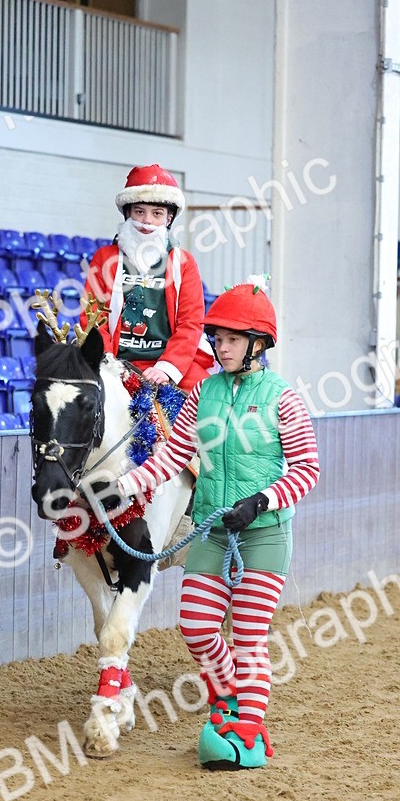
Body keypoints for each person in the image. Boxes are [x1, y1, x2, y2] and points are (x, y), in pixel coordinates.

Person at [106, 283, 320, 770]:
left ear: (256, 344)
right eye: (216, 338)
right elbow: (173, 455)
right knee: (197, 626)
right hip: (211, 529)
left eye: (228, 339)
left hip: (263, 533)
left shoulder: (282, 398)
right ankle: (226, 698)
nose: (218, 347)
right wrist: (125, 485)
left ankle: (248, 724)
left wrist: (262, 500)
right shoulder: (203, 391)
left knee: (248, 636)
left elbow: (307, 467)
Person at [82, 164, 214, 391]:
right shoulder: (104, 258)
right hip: (116, 362)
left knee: (208, 399)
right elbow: (92, 318)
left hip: (170, 361)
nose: (147, 221)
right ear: (128, 213)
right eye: (139, 211)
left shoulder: (184, 263)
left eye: (157, 214)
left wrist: (166, 368)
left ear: (169, 218)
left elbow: (190, 324)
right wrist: (109, 364)